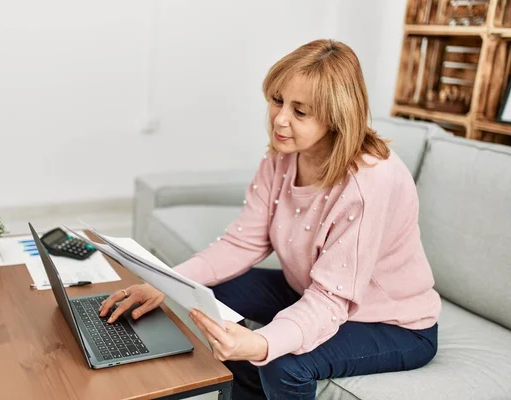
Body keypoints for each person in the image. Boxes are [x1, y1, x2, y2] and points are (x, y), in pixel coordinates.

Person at [99, 39, 441, 399]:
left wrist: (263, 343)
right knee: (204, 296)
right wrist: (166, 283)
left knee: (282, 361)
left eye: (300, 111)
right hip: (308, 288)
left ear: (337, 116)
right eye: (278, 101)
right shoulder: (282, 157)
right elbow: (242, 242)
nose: (280, 119)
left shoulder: (369, 182)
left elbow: (330, 301)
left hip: (393, 323)